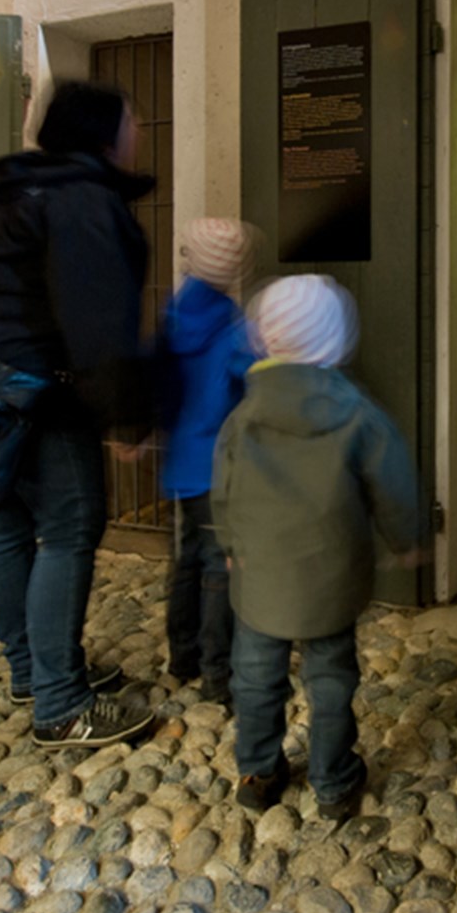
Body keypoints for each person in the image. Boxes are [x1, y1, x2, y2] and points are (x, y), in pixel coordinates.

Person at [0, 81, 157, 750]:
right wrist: (127, 416)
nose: (139, 127)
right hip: (41, 391)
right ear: (102, 133)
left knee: (9, 521)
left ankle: (32, 672)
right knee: (69, 527)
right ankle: (62, 704)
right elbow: (98, 321)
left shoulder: (12, 194)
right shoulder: (82, 199)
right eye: (130, 117)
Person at [214, 274, 420, 822]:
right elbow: (393, 481)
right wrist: (407, 539)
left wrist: (231, 543)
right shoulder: (355, 411)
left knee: (255, 678)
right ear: (334, 337)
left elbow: (224, 486)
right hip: (331, 576)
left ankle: (258, 772)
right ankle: (333, 781)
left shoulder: (245, 414)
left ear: (265, 336)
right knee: (330, 679)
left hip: (260, 578)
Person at [158, 217, 256, 705]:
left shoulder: (174, 313)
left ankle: (182, 658)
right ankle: (219, 675)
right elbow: (248, 377)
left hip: (180, 461)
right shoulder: (232, 324)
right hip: (218, 465)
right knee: (221, 568)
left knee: (187, 560)